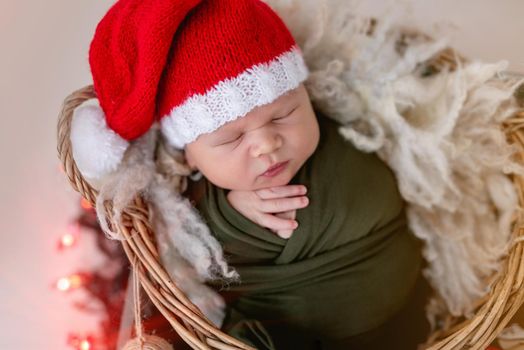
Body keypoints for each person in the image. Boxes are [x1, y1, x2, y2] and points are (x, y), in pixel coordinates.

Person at [70, 0, 432, 348]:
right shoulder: (191, 202)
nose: (266, 144)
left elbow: (387, 194)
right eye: (233, 138)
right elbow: (198, 260)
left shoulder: (347, 141)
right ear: (189, 157)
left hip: (403, 315)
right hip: (284, 327)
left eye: (283, 115)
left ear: (310, 96)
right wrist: (233, 218)